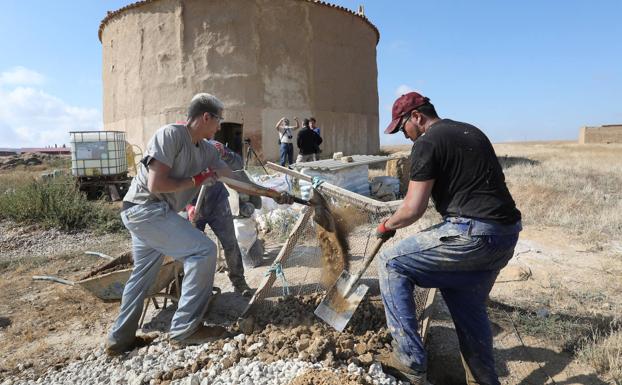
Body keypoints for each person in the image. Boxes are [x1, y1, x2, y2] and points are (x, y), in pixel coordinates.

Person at [106, 93, 293, 354]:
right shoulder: (170, 135)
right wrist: (197, 180)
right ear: (206, 117)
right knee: (203, 251)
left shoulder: (205, 150)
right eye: (218, 120)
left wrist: (273, 193)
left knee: (142, 277)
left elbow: (237, 180)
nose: (219, 127)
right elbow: (156, 184)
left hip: (155, 213)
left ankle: (119, 340)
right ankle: (185, 329)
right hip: (144, 209)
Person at [374, 92, 522, 385]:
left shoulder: (427, 142)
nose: (404, 135)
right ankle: (483, 380)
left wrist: (386, 225)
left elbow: (413, 209)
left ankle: (409, 362)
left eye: (402, 127)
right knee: (465, 301)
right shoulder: (471, 132)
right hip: (505, 236)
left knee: (390, 261)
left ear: (417, 117)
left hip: (472, 234)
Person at [187, 140, 254, 297]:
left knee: (230, 243)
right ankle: (199, 288)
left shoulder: (211, 146)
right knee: (194, 251)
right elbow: (173, 186)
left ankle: (239, 282)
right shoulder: (182, 151)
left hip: (218, 203)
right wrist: (188, 208)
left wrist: (225, 153)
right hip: (192, 206)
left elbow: (238, 164)